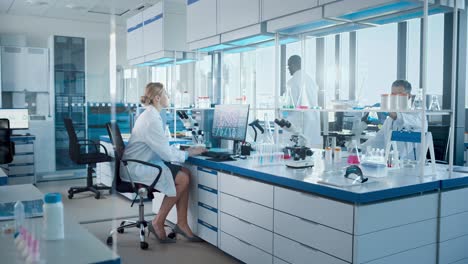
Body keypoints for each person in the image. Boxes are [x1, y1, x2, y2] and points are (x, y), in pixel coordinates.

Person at [123, 82, 206, 243]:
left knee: (185, 173)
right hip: (136, 167)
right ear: (157, 98)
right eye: (166, 94)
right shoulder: (151, 120)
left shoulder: (152, 115)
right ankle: (158, 222)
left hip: (142, 162)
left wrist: (184, 151)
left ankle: (181, 223)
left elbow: (162, 147)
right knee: (182, 178)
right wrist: (189, 152)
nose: (169, 97)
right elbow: (166, 154)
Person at [360, 80, 427, 160]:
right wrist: (358, 149)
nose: (395, 98)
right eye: (393, 94)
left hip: (414, 164)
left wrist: (392, 114)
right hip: (393, 163)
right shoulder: (389, 120)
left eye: (399, 94)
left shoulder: (417, 114)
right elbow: (377, 140)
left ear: (409, 96)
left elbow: (408, 120)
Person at [284, 55, 322, 148]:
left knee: (298, 153)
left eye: (289, 66)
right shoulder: (310, 80)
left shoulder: (292, 82)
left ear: (294, 65)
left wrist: (282, 111)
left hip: (299, 124)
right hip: (313, 125)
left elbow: (289, 107)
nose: (288, 69)